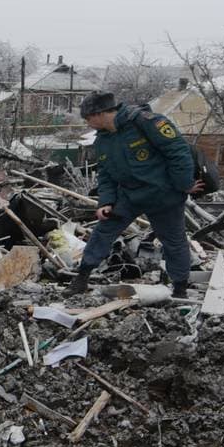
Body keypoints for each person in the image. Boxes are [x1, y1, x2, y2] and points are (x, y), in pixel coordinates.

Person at [70, 90, 195, 295]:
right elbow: (106, 174)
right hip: (129, 195)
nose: (87, 123)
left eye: (87, 118)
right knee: (103, 232)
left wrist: (183, 184)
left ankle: (180, 287)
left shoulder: (146, 122)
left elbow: (178, 151)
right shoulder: (102, 140)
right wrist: (106, 202)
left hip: (162, 194)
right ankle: (81, 278)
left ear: (99, 114)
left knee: (173, 241)